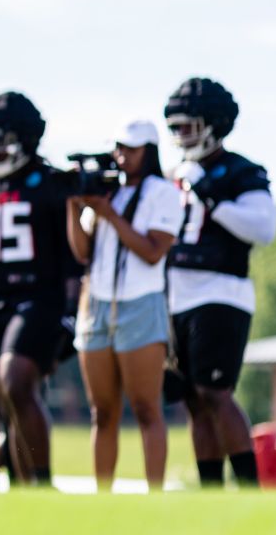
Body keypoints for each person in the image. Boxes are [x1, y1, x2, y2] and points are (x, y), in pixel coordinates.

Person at [0, 92, 82, 487]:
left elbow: (72, 258)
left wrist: (73, 312)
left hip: (39, 299)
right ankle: (27, 489)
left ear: (24, 140)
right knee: (6, 398)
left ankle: (42, 480)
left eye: (0, 139)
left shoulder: (51, 184)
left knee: (16, 379)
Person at [163, 77, 276, 488]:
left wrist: (212, 195)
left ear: (212, 124)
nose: (179, 136)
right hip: (175, 296)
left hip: (220, 291)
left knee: (216, 393)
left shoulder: (240, 172)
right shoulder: (173, 174)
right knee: (192, 400)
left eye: (186, 126)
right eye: (174, 127)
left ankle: (248, 487)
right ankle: (210, 491)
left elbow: (263, 229)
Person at [65, 120, 184, 491]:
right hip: (97, 303)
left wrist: (109, 215)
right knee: (102, 412)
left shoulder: (162, 192)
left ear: (148, 151)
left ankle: (154, 496)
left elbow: (152, 252)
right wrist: (74, 205)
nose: (122, 156)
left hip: (140, 304)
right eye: (118, 148)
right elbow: (82, 251)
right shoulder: (106, 190)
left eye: (130, 149)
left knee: (147, 408)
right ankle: (103, 497)